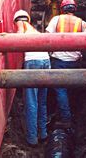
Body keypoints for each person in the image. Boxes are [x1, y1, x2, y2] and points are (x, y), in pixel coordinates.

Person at [45, 0, 86, 125]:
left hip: (58, 61)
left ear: (62, 9)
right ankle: (71, 115)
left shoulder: (56, 20)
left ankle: (66, 120)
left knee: (60, 90)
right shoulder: (81, 23)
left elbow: (46, 36)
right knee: (71, 89)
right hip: (75, 62)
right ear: (74, 9)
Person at [13, 10, 51, 147]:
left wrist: (5, 36)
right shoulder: (34, 30)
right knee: (42, 100)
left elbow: (18, 36)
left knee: (31, 102)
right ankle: (43, 134)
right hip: (46, 62)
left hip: (33, 63)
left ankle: (32, 139)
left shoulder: (20, 23)